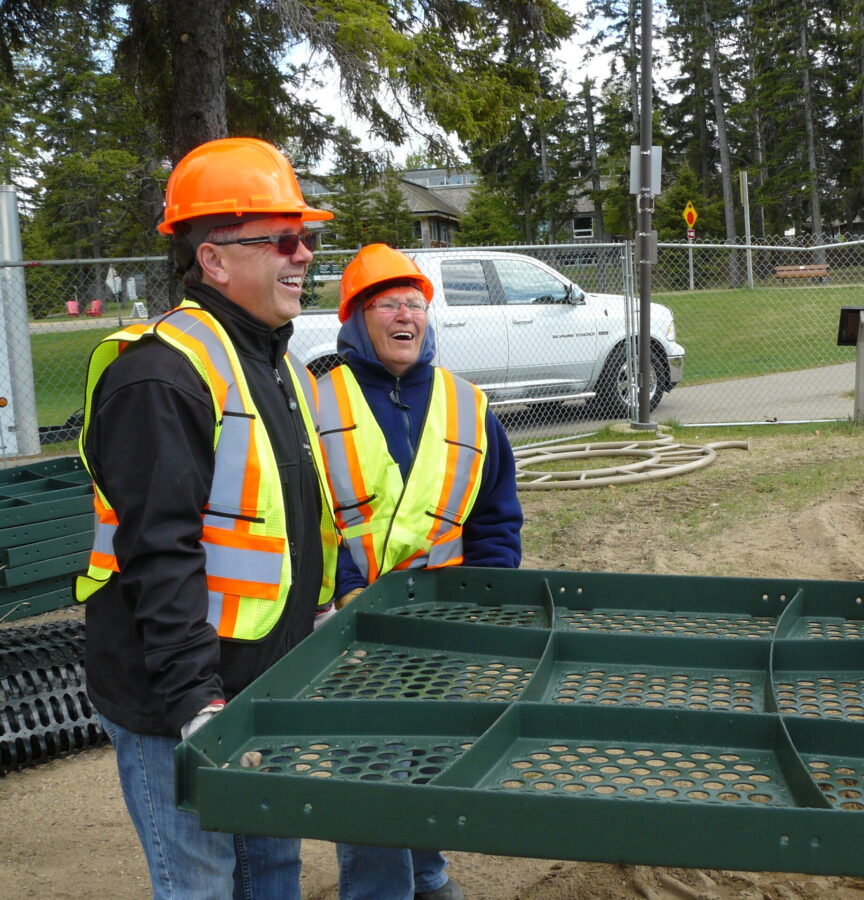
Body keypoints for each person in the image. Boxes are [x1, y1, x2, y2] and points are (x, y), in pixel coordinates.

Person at [77, 137, 339, 897]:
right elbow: (162, 552)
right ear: (216, 261)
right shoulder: (160, 377)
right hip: (183, 707)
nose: (303, 256)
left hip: (264, 685)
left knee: (272, 875)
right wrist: (197, 703)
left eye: (308, 238)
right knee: (201, 885)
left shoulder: (274, 359)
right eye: (283, 240)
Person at [315, 243, 523, 900]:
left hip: (440, 627)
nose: (406, 317)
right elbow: (293, 517)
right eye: (388, 304)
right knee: (371, 777)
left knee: (434, 764)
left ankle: (429, 881)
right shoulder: (314, 401)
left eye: (415, 304)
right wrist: (342, 595)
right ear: (355, 319)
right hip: (352, 634)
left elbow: (495, 516)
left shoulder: (467, 405)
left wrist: (484, 597)